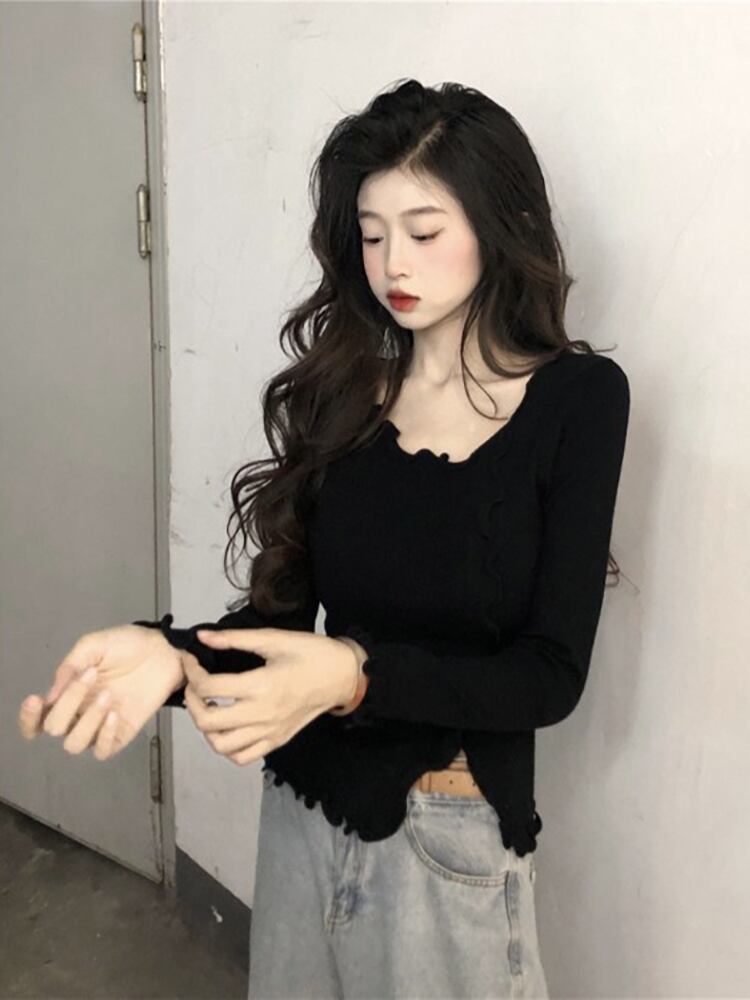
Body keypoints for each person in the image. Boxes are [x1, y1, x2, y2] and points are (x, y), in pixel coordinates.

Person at [18, 78, 630, 999]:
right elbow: (278, 624)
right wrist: (171, 656)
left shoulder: (577, 403)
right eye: (372, 235)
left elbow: (549, 675)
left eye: (423, 231)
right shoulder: (345, 394)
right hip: (302, 813)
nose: (393, 264)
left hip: (450, 840)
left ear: (501, 226)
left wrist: (351, 672)